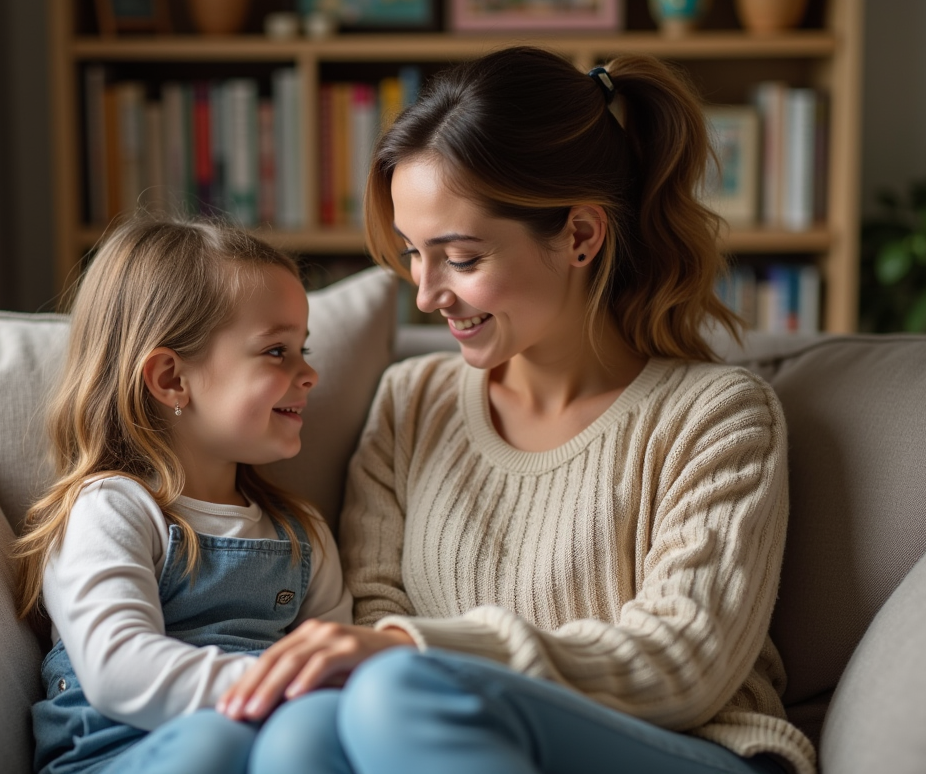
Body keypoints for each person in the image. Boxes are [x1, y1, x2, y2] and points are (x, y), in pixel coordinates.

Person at [217, 47, 817, 774]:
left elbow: (684, 662)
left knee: (398, 690)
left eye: (461, 259)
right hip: (438, 734)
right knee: (300, 735)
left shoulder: (718, 417)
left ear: (581, 236)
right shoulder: (414, 403)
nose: (426, 295)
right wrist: (403, 652)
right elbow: (373, 616)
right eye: (412, 253)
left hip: (689, 750)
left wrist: (424, 648)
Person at [12, 218, 352, 774]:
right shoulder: (113, 508)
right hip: (120, 754)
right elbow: (119, 669)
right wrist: (277, 688)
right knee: (215, 744)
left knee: (311, 735)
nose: (309, 373)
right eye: (276, 351)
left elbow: (336, 661)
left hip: (268, 743)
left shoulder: (301, 532)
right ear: (172, 378)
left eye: (303, 348)